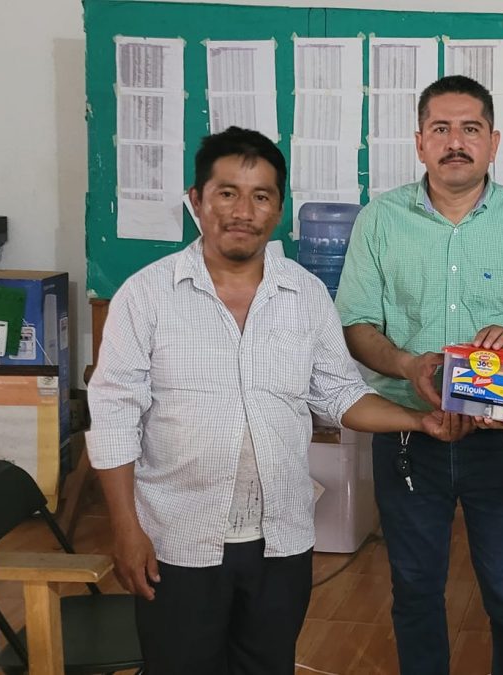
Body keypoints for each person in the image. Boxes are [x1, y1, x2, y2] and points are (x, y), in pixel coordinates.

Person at [87, 126, 452, 675]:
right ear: (196, 200)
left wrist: (420, 422)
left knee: (268, 664)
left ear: (278, 209)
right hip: (177, 539)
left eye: (261, 196)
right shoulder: (146, 296)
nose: (243, 211)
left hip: (279, 540)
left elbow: (339, 394)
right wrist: (125, 530)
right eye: (227, 192)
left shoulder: (304, 295)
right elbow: (114, 417)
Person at [335, 75, 503, 675]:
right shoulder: (380, 221)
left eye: (470, 129)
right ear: (419, 143)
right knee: (415, 590)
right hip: (411, 431)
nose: (455, 142)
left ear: (494, 142)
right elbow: (355, 323)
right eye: (441, 129)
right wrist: (407, 365)